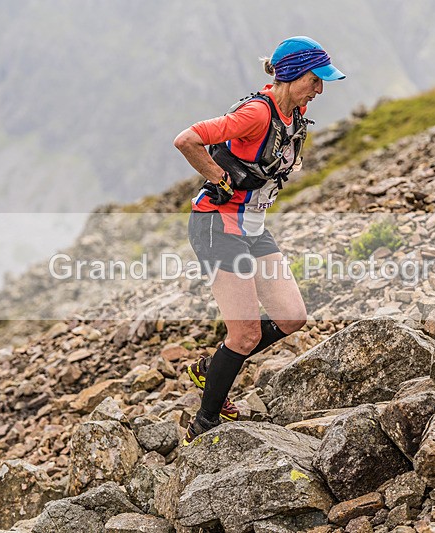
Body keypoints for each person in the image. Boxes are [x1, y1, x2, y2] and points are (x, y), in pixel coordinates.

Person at [173, 36, 345, 443]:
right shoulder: (255, 113)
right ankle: (205, 425)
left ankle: (214, 366)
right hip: (218, 224)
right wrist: (217, 179)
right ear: (289, 75)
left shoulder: (295, 110)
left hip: (252, 226)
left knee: (291, 316)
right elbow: (187, 140)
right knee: (246, 334)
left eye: (323, 81)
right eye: (314, 80)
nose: (319, 90)